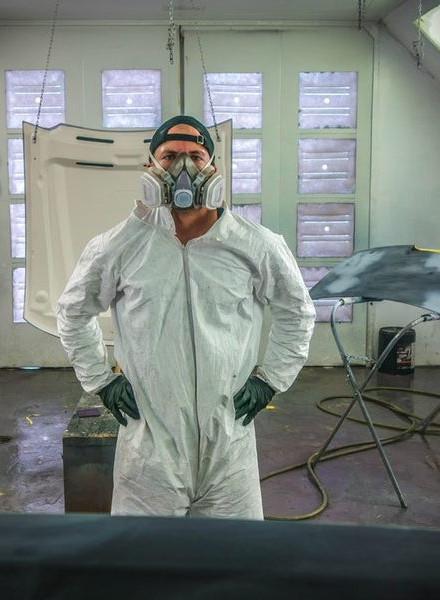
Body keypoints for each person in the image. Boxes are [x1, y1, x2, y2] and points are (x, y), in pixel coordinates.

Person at [56, 115, 315, 519]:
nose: (184, 169)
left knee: (236, 564)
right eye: (171, 156)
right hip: (150, 453)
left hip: (228, 447)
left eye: (196, 155)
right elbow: (73, 312)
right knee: (148, 567)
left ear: (214, 169)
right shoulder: (119, 247)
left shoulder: (256, 245)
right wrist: (101, 381)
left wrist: (271, 379)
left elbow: (297, 312)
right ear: (150, 170)